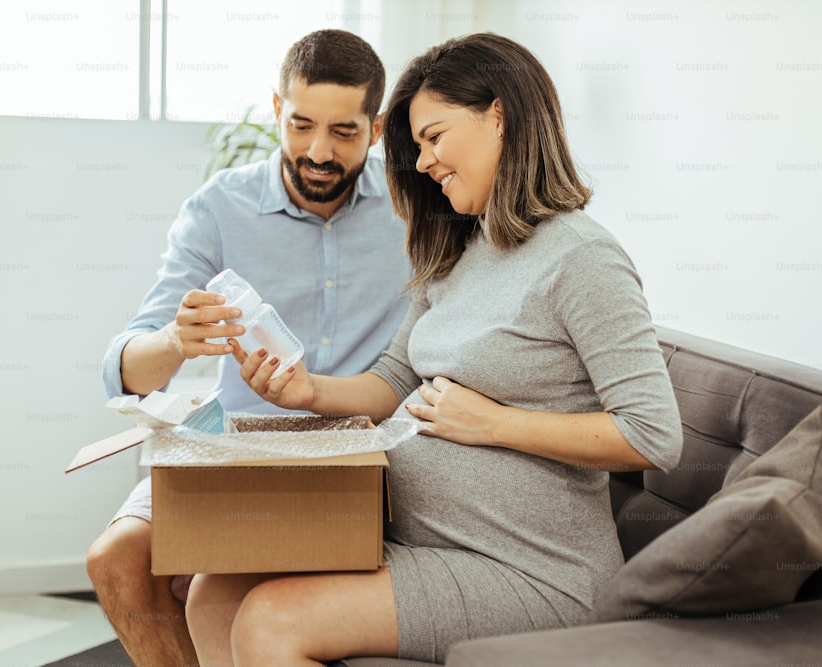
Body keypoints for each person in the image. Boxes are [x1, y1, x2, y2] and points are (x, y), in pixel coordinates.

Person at [184, 32, 684, 666]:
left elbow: (654, 435)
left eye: (434, 138)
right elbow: (394, 377)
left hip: (533, 571)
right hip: (418, 541)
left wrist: (497, 424)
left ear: (498, 116)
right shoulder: (459, 250)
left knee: (271, 623)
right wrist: (308, 391)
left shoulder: (582, 257)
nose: (422, 163)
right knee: (213, 597)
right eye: (416, 146)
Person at [84, 30, 412, 667]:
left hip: (354, 448)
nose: (318, 151)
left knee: (216, 592)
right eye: (301, 125)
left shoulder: (413, 209)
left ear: (374, 131)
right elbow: (125, 370)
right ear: (276, 109)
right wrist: (177, 340)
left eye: (343, 133)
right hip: (236, 445)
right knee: (114, 558)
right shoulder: (217, 209)